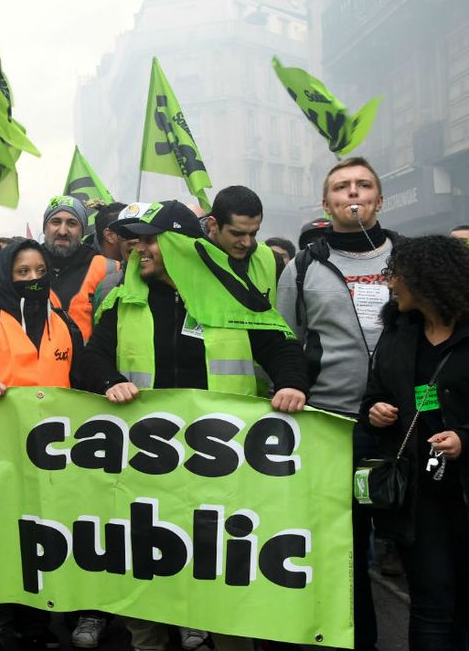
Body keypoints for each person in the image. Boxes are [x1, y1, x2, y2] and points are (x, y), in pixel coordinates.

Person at [78, 200, 308, 651]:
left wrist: (292, 384)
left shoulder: (233, 292)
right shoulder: (124, 296)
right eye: (135, 240)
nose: (136, 248)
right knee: (147, 562)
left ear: (181, 244)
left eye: (148, 240)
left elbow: (281, 346)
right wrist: (110, 381)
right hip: (149, 465)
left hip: (217, 466)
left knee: (216, 562)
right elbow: (91, 357)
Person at [276, 157, 397, 651]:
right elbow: (284, 342)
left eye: (364, 185)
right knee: (345, 551)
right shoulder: (303, 265)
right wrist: (291, 389)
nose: (354, 193)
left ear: (379, 200)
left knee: (425, 550)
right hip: (333, 430)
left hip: (405, 430)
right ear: (325, 205)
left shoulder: (410, 259)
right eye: (342, 187)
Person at [0, 237, 81, 651]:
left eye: (40, 272)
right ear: (7, 275)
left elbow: (84, 382)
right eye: (23, 272)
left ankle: (35, 624)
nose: (33, 279)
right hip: (0, 458)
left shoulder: (66, 324)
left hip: (53, 459)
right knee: (1, 541)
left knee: (43, 542)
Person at [362, 235, 469, 651]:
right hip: (420, 496)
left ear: (428, 280)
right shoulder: (398, 333)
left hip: (463, 493)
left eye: (397, 275)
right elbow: (372, 395)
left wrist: (464, 439)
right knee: (430, 605)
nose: (390, 284)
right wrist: (375, 412)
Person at [40, 195, 116, 342]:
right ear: (45, 228)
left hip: (86, 363)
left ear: (82, 231)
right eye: (56, 222)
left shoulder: (107, 268)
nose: (62, 231)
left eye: (72, 223)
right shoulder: (22, 266)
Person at [205, 186, 277, 301]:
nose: (247, 243)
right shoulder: (188, 258)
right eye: (237, 234)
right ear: (213, 225)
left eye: (253, 233)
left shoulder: (273, 261)